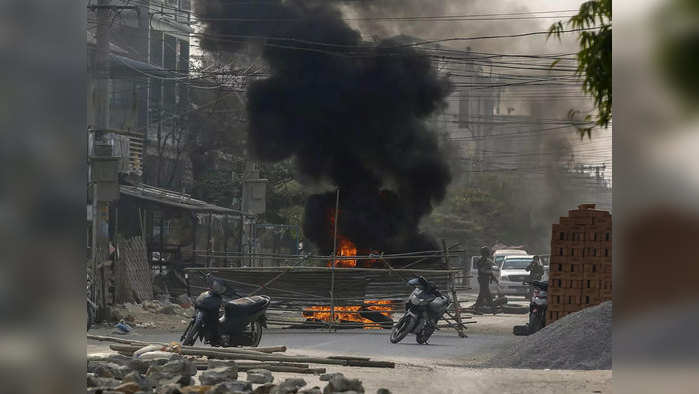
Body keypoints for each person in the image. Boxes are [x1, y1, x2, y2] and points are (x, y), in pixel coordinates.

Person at [474, 246, 495, 312]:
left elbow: (487, 270)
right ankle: (476, 309)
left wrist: (491, 275)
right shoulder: (482, 260)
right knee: (482, 294)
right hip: (483, 279)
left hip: (485, 279)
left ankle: (493, 309)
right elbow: (482, 270)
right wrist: (490, 273)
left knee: (488, 294)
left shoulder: (485, 260)